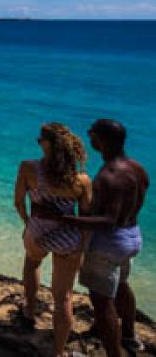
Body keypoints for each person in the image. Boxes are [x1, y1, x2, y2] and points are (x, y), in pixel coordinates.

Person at [56, 119, 149, 357]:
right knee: (121, 286)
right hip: (133, 236)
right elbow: (135, 201)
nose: (89, 136)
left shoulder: (108, 176)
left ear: (104, 139)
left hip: (109, 243)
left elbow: (108, 221)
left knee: (102, 301)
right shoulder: (137, 168)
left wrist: (64, 219)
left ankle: (113, 353)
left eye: (92, 133)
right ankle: (129, 335)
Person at [13, 122, 92, 357]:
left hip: (38, 232)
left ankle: (29, 310)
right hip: (69, 238)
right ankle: (58, 352)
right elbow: (86, 217)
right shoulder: (82, 180)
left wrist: (28, 222)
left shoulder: (29, 168)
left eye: (40, 139)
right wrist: (83, 247)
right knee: (64, 297)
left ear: (48, 145)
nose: (38, 142)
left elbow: (18, 201)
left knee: (32, 264)